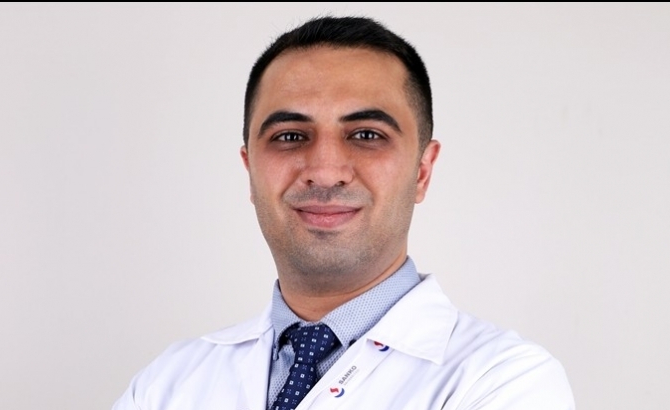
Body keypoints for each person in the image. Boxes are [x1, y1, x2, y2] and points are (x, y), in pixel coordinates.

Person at [113, 16, 575, 410]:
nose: (325, 171)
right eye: (290, 136)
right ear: (250, 170)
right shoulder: (166, 385)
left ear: (422, 171)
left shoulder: (504, 382)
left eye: (367, 135)